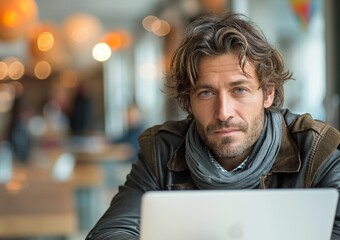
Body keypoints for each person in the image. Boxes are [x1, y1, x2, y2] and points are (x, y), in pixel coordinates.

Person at [85, 12, 340, 240]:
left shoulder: (316, 149)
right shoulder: (163, 150)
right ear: (189, 101)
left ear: (268, 94)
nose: (223, 112)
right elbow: (110, 232)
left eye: (239, 90)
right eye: (206, 93)